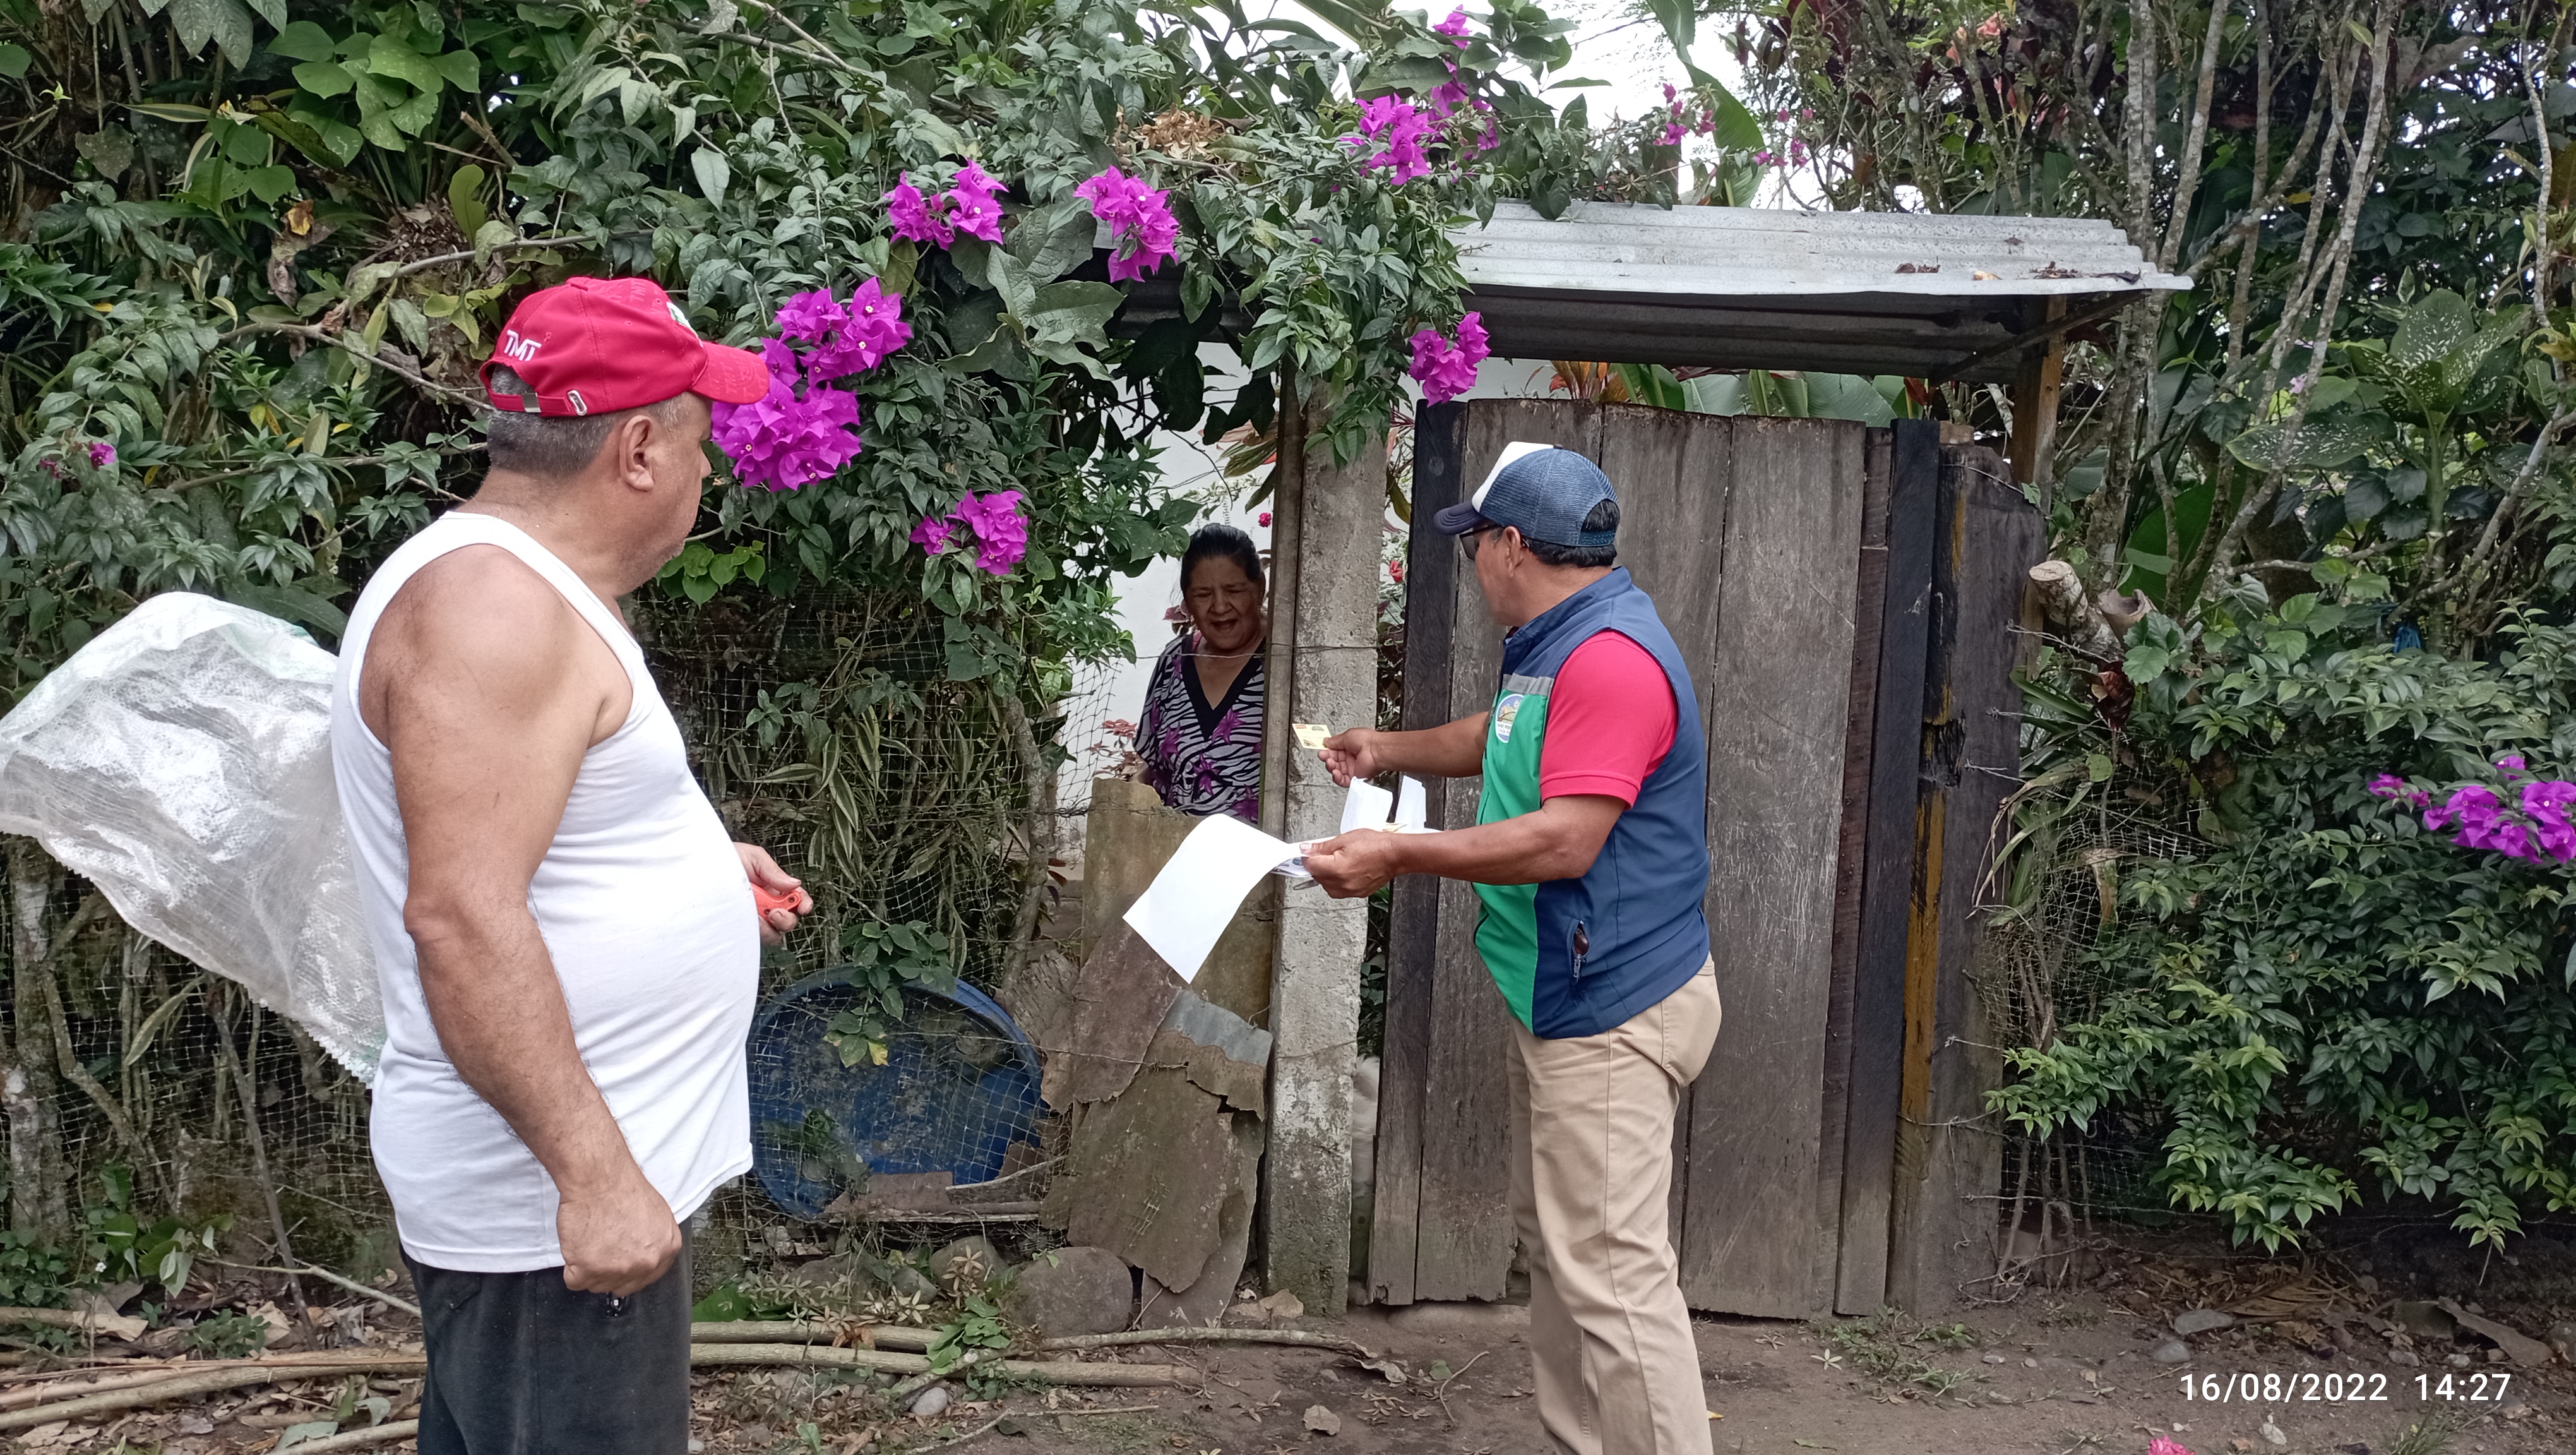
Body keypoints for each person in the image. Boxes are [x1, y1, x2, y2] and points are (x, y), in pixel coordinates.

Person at [330, 276, 816, 1455]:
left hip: (556, 1214)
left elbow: (513, 829)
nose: (710, 467)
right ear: (638, 450)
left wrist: (691, 866)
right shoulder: (496, 610)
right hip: (547, 1219)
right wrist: (596, 1178)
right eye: (699, 439)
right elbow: (460, 913)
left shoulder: (523, 587)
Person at [1305, 443, 1720, 1455]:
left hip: (1612, 1008)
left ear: (1511, 546)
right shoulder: (1558, 642)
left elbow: (1566, 840)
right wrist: (1386, 749)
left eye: (1474, 543)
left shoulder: (1610, 661)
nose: (1474, 563)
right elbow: (1506, 732)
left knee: (1612, 1274)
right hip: (1567, 995)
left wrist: (1399, 852)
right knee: (1569, 1257)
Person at [1132, 523, 1268, 821]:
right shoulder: (1174, 661)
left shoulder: (1284, 662)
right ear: (1187, 600)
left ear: (1260, 588)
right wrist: (1128, 809)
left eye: (1233, 591)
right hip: (1175, 844)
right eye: (1203, 594)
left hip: (1268, 849)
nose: (1219, 607)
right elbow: (1153, 770)